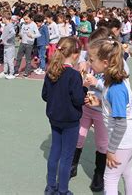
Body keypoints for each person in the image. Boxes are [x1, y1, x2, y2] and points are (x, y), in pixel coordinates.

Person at [86, 39, 132, 195]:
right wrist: (99, 103)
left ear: (105, 62)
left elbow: (120, 123)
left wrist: (110, 150)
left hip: (123, 140)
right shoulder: (111, 81)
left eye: (91, 60)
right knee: (127, 172)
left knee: (110, 178)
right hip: (131, 138)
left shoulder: (116, 88)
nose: (89, 63)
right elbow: (114, 108)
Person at [42, 37, 85, 195]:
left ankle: (51, 187)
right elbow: (78, 99)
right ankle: (63, 190)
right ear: (74, 54)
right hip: (70, 120)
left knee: (54, 152)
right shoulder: (74, 75)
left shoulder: (51, 71)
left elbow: (45, 95)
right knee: (67, 157)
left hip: (54, 117)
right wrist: (84, 88)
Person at [70, 27, 111, 192]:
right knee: (78, 136)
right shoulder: (86, 61)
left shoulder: (111, 67)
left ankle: (99, 174)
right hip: (85, 107)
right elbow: (80, 80)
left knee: (102, 143)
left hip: (101, 110)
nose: (89, 56)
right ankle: (72, 165)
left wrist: (96, 85)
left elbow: (112, 90)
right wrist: (82, 72)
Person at [14, 13, 40, 78]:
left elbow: (38, 34)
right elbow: (22, 32)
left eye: (26, 19)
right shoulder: (23, 24)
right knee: (18, 57)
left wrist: (32, 36)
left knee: (28, 59)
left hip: (29, 44)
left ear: (31, 18)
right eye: (24, 19)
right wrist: (20, 36)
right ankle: (16, 70)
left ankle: (27, 71)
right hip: (22, 43)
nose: (25, 20)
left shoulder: (33, 25)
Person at [0, 12, 16, 79]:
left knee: (10, 60)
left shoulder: (10, 25)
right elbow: (4, 34)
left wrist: (6, 39)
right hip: (6, 46)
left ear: (5, 18)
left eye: (2, 19)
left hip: (10, 46)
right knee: (5, 60)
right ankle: (5, 72)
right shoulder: (6, 26)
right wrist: (1, 39)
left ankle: (12, 73)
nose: (2, 20)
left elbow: (13, 33)